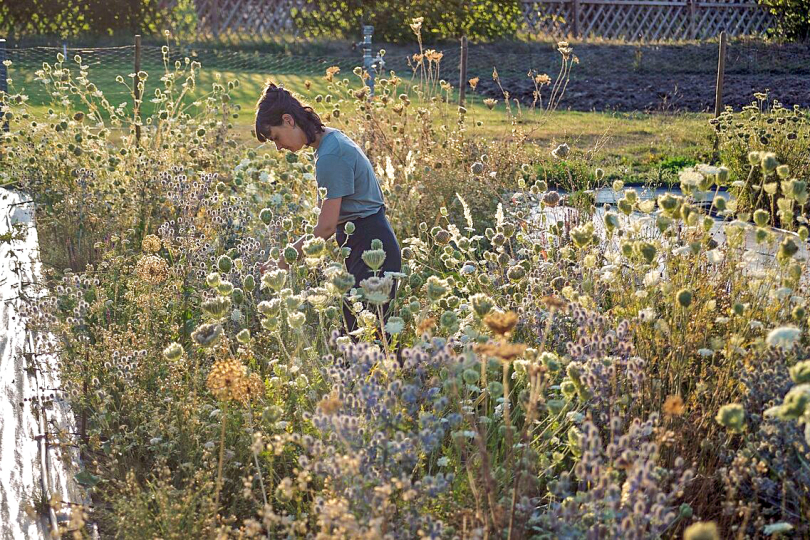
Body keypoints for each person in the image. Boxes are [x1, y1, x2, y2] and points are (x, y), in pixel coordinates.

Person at [254, 82, 401, 333]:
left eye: (276, 137)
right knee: (367, 333)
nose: (278, 147)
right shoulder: (331, 141)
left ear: (288, 120)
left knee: (366, 337)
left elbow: (326, 228)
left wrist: (284, 261)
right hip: (369, 243)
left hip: (371, 247)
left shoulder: (330, 155)